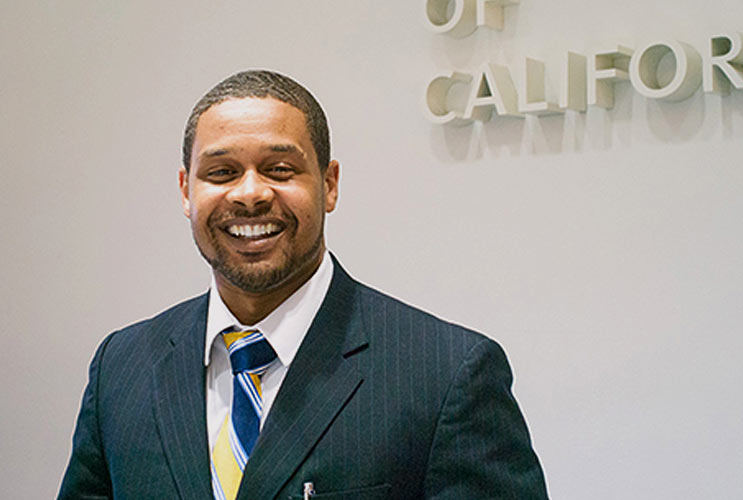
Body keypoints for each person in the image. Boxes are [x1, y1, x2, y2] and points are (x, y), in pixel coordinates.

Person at [57, 69, 549, 500]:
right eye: (222, 172)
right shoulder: (121, 368)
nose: (250, 194)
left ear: (329, 184)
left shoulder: (446, 374)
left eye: (279, 169)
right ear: (187, 191)